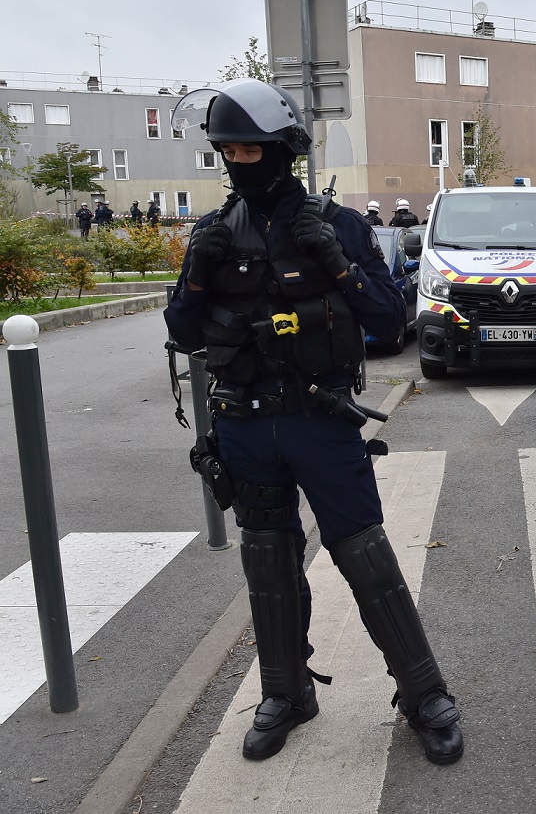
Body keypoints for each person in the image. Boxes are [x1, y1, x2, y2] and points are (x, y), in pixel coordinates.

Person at [163, 78, 464, 766]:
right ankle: (285, 691)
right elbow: (184, 330)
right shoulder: (213, 233)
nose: (244, 161)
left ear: (285, 149)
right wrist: (201, 274)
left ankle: (423, 694)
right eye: (231, 149)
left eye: (256, 148)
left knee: (365, 556)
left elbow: (392, 320)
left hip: (321, 422)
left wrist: (334, 260)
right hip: (245, 425)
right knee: (267, 562)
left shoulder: (340, 225)